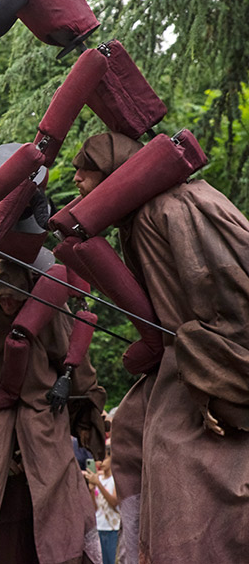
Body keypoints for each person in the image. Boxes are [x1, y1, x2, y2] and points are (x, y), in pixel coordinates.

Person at [71, 132, 249, 562]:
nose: (75, 179)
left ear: (111, 171)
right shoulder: (138, 218)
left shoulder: (176, 207)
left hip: (209, 363)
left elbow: (225, 291)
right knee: (132, 431)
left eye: (85, 169)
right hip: (179, 364)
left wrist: (214, 370)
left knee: (181, 465)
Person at [0, 258, 106, 564]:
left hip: (43, 415)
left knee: (56, 497)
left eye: (15, 297)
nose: (7, 302)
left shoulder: (51, 311)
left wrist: (72, 389)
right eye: (1, 296)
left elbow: (74, 361)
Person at [83, 447, 119, 564]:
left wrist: (98, 484)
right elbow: (95, 508)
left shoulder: (114, 480)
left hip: (112, 529)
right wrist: (92, 490)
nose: (101, 462)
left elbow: (114, 502)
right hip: (100, 527)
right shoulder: (99, 479)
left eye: (105, 458)